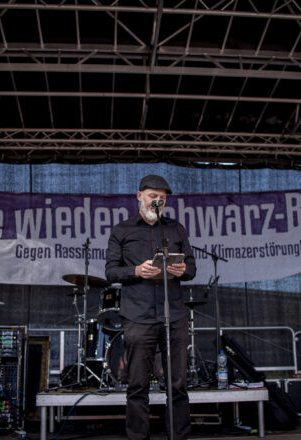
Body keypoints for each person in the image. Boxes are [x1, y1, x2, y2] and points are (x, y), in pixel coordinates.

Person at [105, 174, 197, 440]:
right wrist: (136, 270)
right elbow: (111, 272)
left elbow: (191, 268)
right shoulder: (122, 230)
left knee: (178, 384)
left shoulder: (175, 229)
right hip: (138, 315)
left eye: (162, 198)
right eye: (152, 196)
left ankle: (178, 436)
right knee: (137, 384)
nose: (157, 201)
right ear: (139, 196)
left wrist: (181, 270)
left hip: (174, 315)